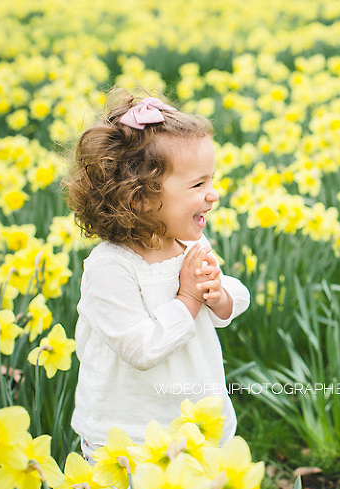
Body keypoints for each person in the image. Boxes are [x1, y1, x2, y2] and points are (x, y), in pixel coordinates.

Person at [64, 89, 250, 462]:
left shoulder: (187, 242)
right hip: (127, 438)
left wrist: (220, 295)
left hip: (194, 421)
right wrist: (189, 300)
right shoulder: (110, 267)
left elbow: (222, 298)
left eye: (211, 180)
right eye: (199, 185)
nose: (213, 195)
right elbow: (141, 348)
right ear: (141, 199)